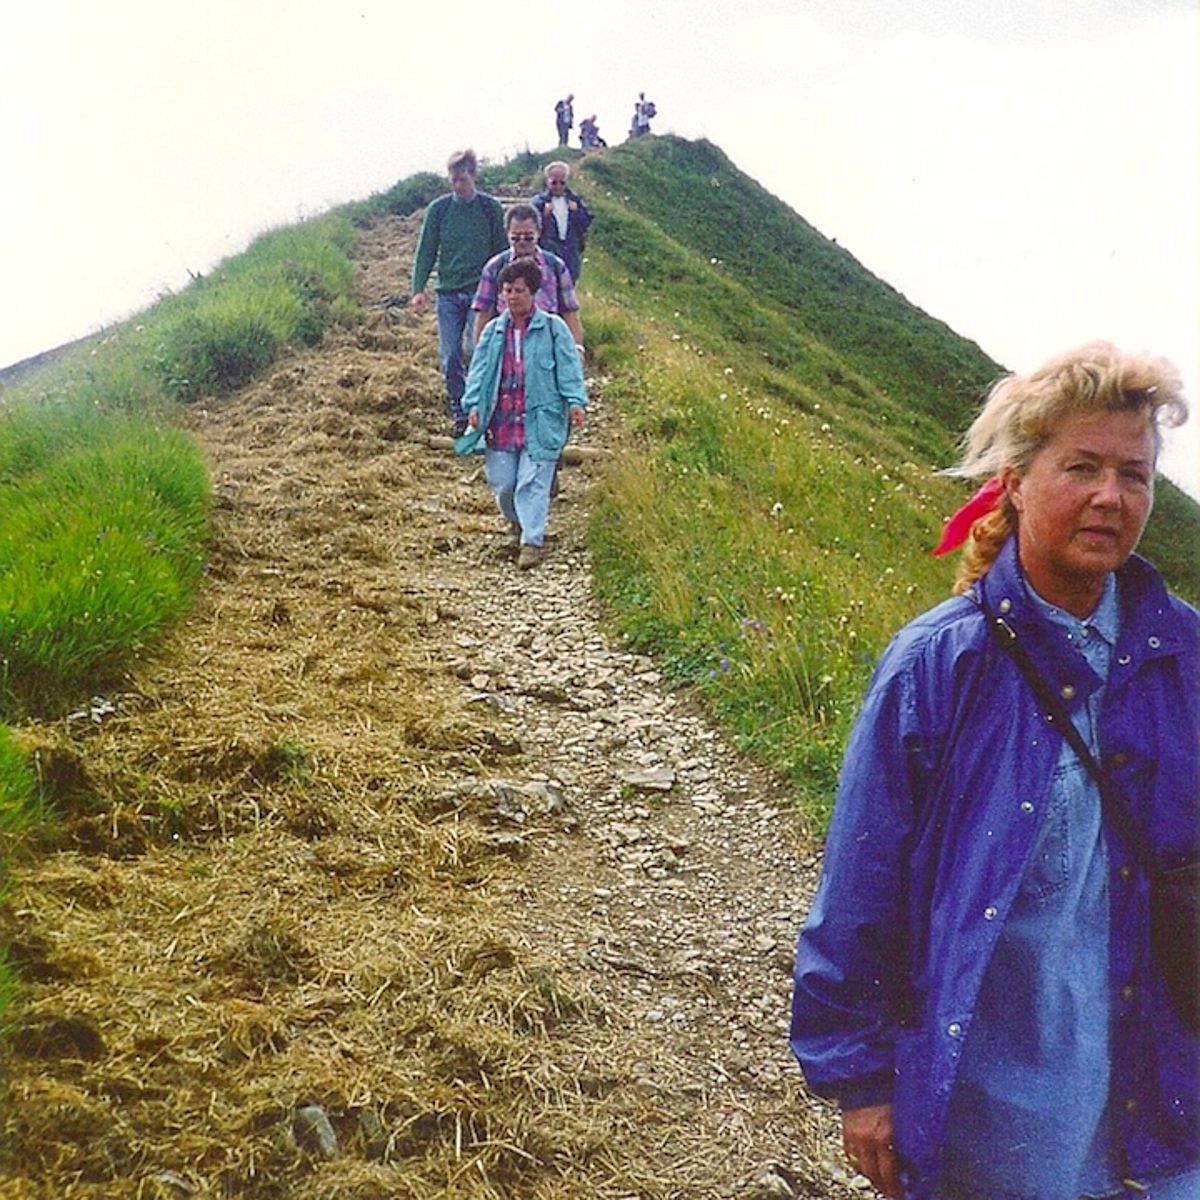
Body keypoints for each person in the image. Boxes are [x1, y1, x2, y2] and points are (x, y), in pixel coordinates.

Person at [789, 342, 1198, 1200]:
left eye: (1134, 474)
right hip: (1000, 1128)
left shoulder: (1187, 656)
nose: (1110, 496)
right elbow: (862, 886)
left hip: (1168, 1111)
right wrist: (861, 1083)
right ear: (1014, 482)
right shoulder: (937, 666)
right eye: (1081, 467)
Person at [455, 257, 586, 570]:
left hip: (540, 420)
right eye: (508, 290)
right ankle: (516, 523)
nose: (512, 296)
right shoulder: (493, 332)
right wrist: (473, 405)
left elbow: (569, 368)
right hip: (501, 421)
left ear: (533, 292)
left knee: (533, 482)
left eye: (519, 290)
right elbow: (478, 371)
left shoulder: (553, 329)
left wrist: (575, 401)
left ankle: (532, 541)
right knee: (503, 484)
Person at [410, 149, 507, 436]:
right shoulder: (439, 210)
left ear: (473, 176)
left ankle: (481, 408)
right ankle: (460, 411)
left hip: (482, 290)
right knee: (450, 354)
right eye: (453, 179)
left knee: (477, 350)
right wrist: (418, 289)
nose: (457, 185)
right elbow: (426, 250)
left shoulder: (490, 208)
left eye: (462, 179)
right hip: (449, 292)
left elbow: (501, 251)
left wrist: (505, 289)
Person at [470, 204, 584, 351]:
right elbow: (483, 313)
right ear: (507, 234)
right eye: (515, 238)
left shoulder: (556, 266)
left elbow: (570, 311)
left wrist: (577, 349)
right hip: (506, 348)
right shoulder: (494, 267)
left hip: (548, 347)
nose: (522, 242)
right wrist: (480, 353)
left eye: (528, 237)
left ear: (539, 232)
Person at [530, 161, 593, 283]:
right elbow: (531, 229)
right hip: (547, 252)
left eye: (562, 183)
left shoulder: (575, 200)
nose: (558, 186)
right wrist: (544, 216)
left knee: (569, 284)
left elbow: (585, 225)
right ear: (547, 181)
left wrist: (577, 212)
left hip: (570, 253)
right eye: (554, 183)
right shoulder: (538, 203)